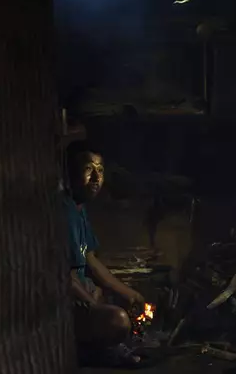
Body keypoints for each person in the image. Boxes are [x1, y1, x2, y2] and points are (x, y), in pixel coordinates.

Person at [63, 140, 145, 366]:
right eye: (89, 169)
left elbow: (90, 260)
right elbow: (62, 274)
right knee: (117, 320)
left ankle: (101, 347)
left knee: (107, 296)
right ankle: (93, 352)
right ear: (70, 172)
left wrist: (129, 293)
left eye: (100, 170)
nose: (96, 179)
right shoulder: (64, 210)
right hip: (64, 301)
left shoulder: (79, 209)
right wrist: (93, 305)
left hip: (82, 293)